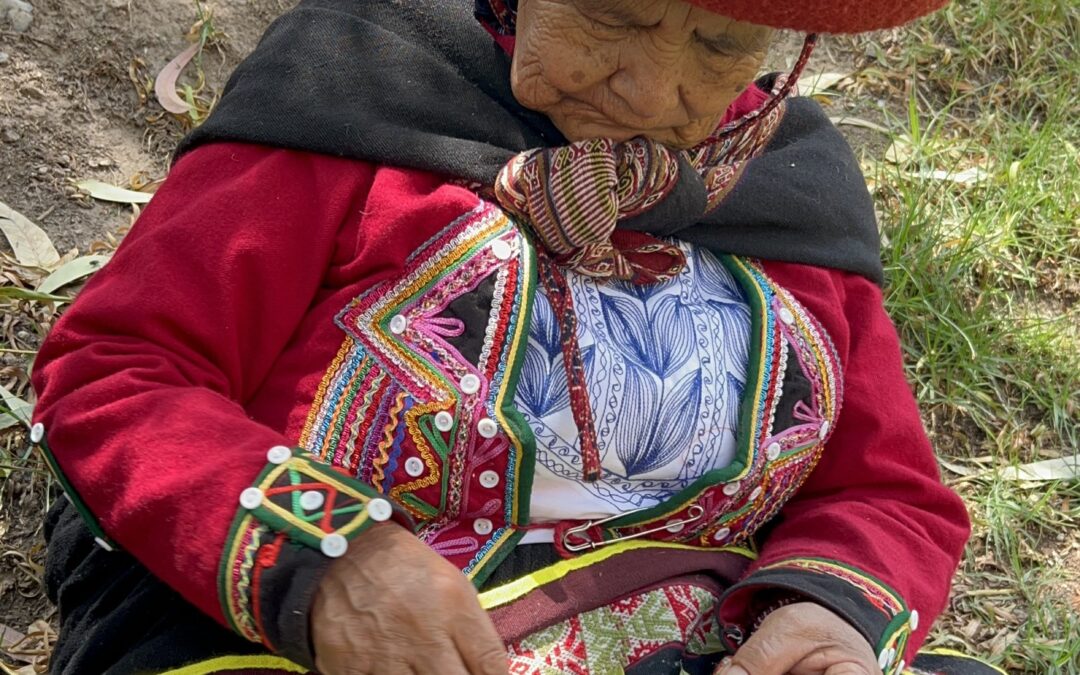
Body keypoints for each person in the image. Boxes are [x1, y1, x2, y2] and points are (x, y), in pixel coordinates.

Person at [30, 0, 999, 673]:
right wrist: (327, 557)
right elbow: (120, 373)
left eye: (718, 43)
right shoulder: (353, 95)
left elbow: (884, 493)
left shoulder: (789, 187)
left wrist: (823, 618)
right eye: (615, 16)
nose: (650, 91)